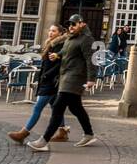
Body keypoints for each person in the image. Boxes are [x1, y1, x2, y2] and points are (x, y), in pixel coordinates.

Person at [27, 15, 98, 152]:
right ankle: (89, 134)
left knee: (58, 107)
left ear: (81, 24)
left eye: (74, 24)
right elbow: (65, 50)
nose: (71, 26)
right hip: (66, 76)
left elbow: (91, 60)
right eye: (69, 24)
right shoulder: (71, 38)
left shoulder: (86, 39)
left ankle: (43, 141)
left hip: (75, 78)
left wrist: (91, 79)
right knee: (75, 108)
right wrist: (58, 55)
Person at [9, 25, 70, 144]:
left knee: (37, 107)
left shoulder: (60, 46)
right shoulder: (51, 44)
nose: (50, 32)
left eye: (54, 31)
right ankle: (62, 131)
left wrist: (46, 75)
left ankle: (23, 133)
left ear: (60, 33)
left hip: (51, 82)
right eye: (50, 30)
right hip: (47, 80)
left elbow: (60, 65)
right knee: (55, 107)